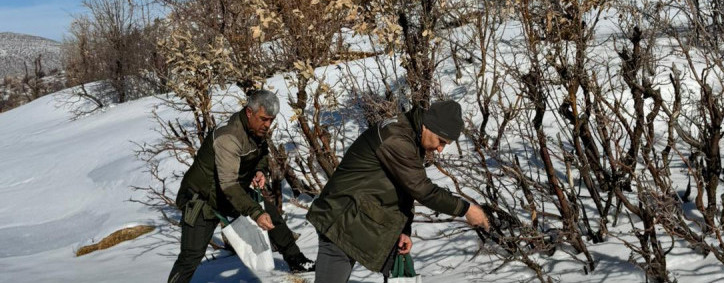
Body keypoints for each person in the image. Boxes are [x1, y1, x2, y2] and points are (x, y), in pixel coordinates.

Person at [307, 100, 490, 283]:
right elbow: (422, 189)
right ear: (429, 126)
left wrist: (404, 230)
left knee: (398, 270)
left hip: (360, 217)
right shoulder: (395, 138)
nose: (440, 149)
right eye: (441, 141)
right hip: (341, 218)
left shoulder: (410, 135)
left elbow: (404, 189)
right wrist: (466, 209)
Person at [168, 90, 315, 283]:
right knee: (191, 255)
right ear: (249, 112)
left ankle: (296, 261)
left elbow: (260, 154)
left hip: (229, 192)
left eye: (271, 120)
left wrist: (260, 171)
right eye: (264, 119)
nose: (268, 125)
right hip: (202, 198)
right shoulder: (228, 136)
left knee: (273, 217)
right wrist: (255, 212)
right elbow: (228, 184)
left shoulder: (257, 130)